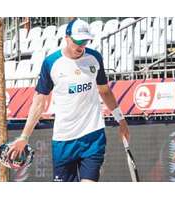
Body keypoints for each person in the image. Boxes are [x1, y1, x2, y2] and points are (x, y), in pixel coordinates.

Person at [8, 18, 130, 182]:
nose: (81, 46)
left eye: (85, 41)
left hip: (92, 135)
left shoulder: (94, 58)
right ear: (67, 37)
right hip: (63, 140)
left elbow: (104, 91)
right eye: (78, 41)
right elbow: (39, 103)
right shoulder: (51, 63)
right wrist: (24, 136)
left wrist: (120, 119)